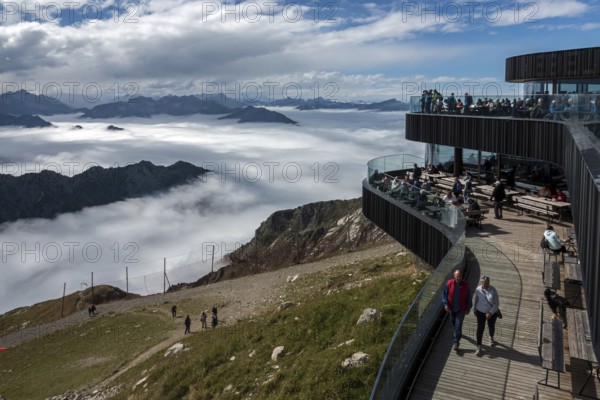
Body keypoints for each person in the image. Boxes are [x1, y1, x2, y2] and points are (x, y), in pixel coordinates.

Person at [442, 269, 472, 352]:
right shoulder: (449, 283)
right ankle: (457, 333)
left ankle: (456, 342)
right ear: (454, 276)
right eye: (457, 276)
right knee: (454, 323)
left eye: (460, 276)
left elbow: (469, 297)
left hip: (461, 309)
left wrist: (468, 307)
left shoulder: (466, 285)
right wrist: (445, 304)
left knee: (458, 326)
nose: (459, 278)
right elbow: (444, 294)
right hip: (451, 309)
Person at [473, 276, 500, 356]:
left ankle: (491, 337)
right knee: (480, 328)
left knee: (491, 326)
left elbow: (497, 303)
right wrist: (474, 309)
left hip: (491, 312)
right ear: (481, 282)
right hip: (480, 311)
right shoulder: (478, 289)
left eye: (487, 282)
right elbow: (476, 300)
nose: (486, 284)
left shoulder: (493, 290)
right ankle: (479, 346)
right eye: (484, 283)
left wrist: (491, 313)